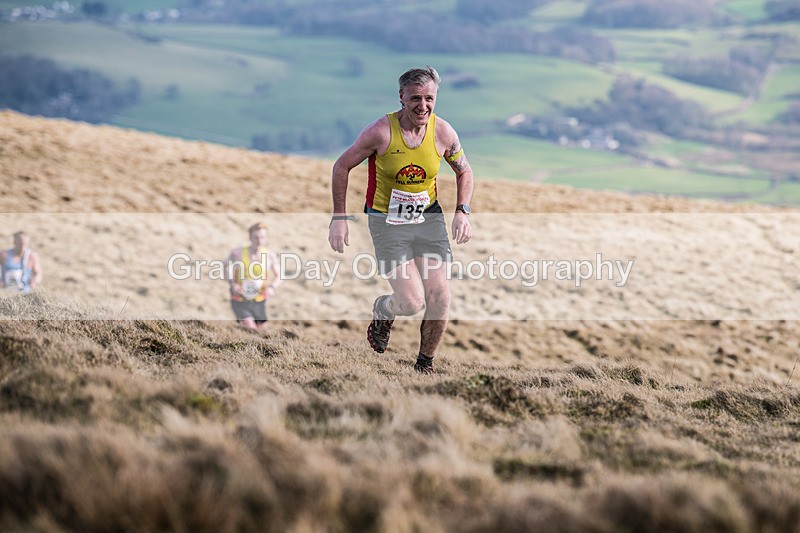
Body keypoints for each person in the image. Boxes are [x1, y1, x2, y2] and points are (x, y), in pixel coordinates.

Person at [328, 66, 474, 374]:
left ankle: (424, 365)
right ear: (402, 97)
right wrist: (339, 216)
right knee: (411, 302)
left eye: (429, 98)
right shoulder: (380, 132)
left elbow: (464, 171)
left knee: (440, 297)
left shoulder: (443, 132)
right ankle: (384, 308)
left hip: (428, 219)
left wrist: (462, 210)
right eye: (415, 98)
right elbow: (341, 166)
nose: (423, 106)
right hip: (387, 222)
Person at [227, 223, 281, 330]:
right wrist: (232, 284)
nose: (259, 241)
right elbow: (224, 266)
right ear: (250, 237)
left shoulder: (270, 256)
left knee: (264, 331)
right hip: (239, 300)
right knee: (250, 327)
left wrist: (272, 287)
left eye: (262, 237)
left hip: (259, 301)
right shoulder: (237, 253)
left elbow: (279, 275)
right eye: (256, 237)